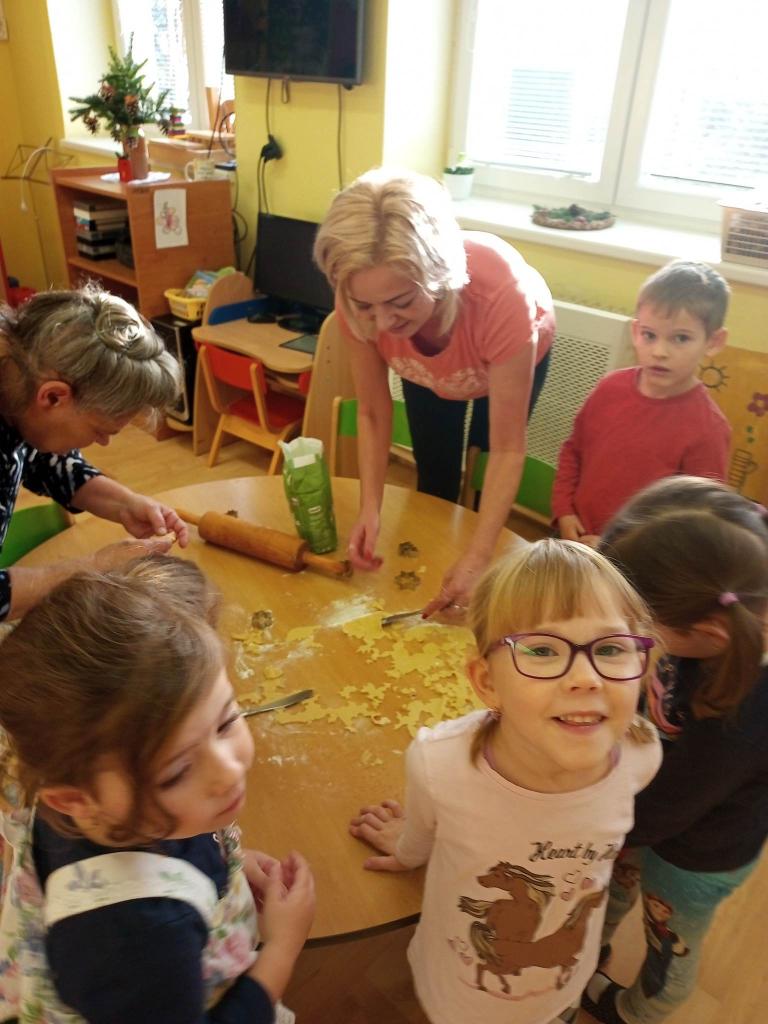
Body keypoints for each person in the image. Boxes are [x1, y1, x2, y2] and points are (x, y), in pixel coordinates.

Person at [349, 539, 662, 1024]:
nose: (586, 678)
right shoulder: (440, 765)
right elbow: (420, 839)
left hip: (564, 981)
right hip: (461, 991)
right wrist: (408, 850)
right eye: (542, 649)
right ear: (487, 682)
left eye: (610, 648)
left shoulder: (641, 757)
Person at [0, 567, 316, 1023]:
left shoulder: (81, 790)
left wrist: (220, 865)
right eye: (177, 772)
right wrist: (283, 948)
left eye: (226, 722)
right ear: (73, 800)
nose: (229, 772)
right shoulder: (140, 940)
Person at [313, 168, 555, 615]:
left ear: (438, 276)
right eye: (366, 307)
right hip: (427, 367)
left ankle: (475, 569)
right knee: (435, 472)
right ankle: (438, 572)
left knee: (482, 472)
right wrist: (370, 508)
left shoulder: (502, 297)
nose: (383, 323)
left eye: (401, 302)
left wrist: (480, 555)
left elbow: (508, 450)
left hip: (503, 354)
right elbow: (372, 413)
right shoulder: (359, 297)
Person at [582, 476, 768, 1024]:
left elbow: (670, 806)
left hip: (698, 855)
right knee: (611, 887)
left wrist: (589, 832)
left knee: (668, 940)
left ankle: (638, 1011)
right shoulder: (719, 607)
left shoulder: (745, 715)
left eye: (641, 627)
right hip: (651, 807)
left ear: (710, 632)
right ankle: (589, 950)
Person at [0, 284, 190, 621]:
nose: (103, 443)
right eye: (100, 430)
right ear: (54, 397)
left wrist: (125, 503)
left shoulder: (16, 381)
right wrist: (95, 568)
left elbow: (41, 457)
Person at [551, 261, 731, 546]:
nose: (659, 352)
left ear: (714, 342)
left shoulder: (709, 429)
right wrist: (563, 510)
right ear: (635, 332)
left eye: (681, 338)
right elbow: (573, 450)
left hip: (638, 559)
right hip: (575, 536)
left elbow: (695, 523)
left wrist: (616, 547)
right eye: (649, 335)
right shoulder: (609, 388)